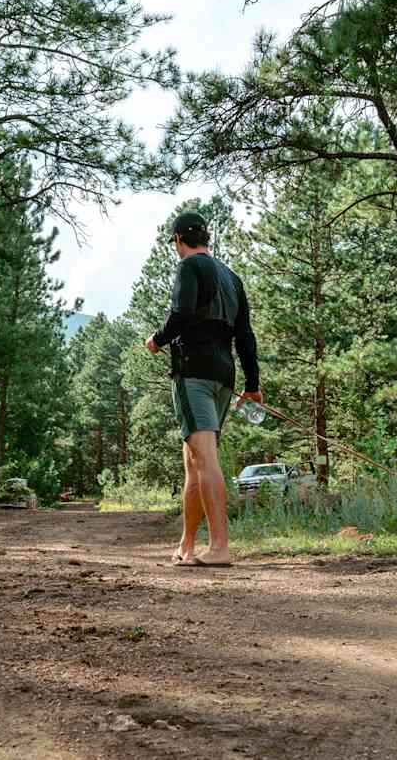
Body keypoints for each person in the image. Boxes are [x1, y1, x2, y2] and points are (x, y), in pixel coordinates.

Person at [145, 212, 260, 567]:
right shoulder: (232, 277)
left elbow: (180, 313)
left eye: (176, 244)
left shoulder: (188, 268)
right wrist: (252, 384)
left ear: (179, 239)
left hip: (193, 371)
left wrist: (157, 340)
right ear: (206, 238)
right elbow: (245, 336)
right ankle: (187, 544)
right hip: (224, 374)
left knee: (205, 460)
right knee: (193, 465)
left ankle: (220, 547)